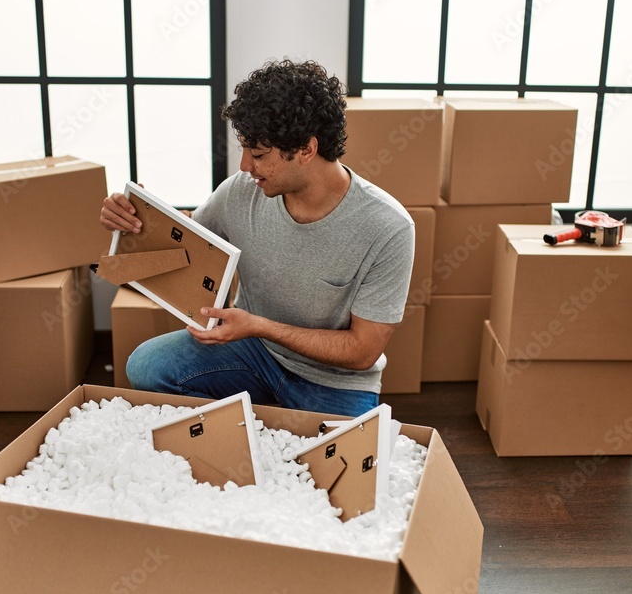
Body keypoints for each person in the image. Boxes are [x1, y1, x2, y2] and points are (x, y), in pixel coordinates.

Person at [99, 59, 415, 417]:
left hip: (334, 380)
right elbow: (186, 246)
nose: (245, 166)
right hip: (251, 350)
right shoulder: (241, 191)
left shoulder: (388, 227)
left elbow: (362, 351)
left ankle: (256, 419)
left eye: (259, 154)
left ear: (307, 150)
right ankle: (249, 424)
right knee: (146, 367)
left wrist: (259, 325)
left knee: (335, 463)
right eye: (244, 150)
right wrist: (136, 218)